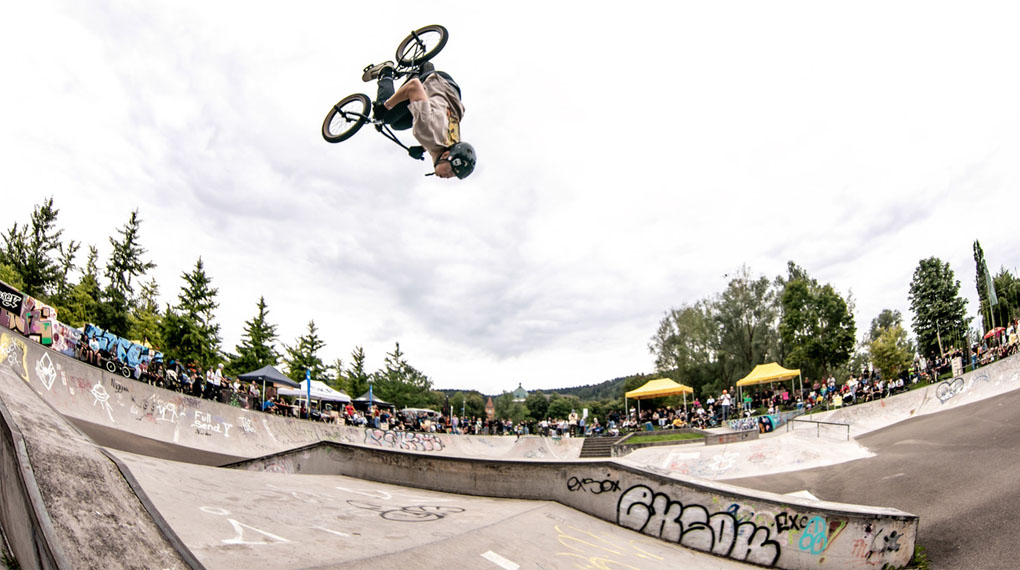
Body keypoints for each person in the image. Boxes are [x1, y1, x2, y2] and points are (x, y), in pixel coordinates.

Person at [362, 60, 476, 179]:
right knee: (386, 117)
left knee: (398, 125)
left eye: (454, 176)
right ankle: (385, 72)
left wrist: (422, 148)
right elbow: (413, 86)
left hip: (450, 92)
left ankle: (424, 65)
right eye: (452, 171)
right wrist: (385, 107)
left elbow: (438, 136)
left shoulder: (453, 144)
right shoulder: (426, 129)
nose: (449, 177)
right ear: (446, 155)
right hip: (436, 83)